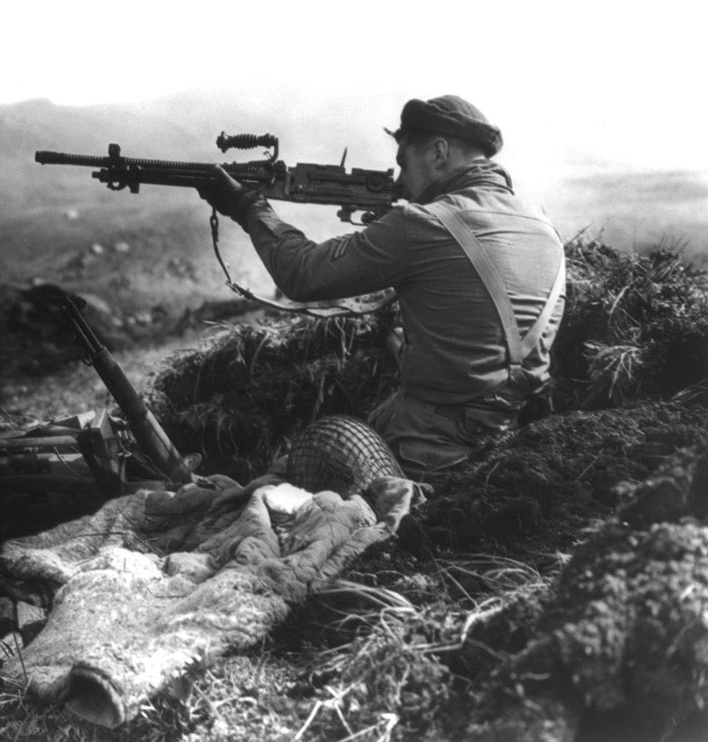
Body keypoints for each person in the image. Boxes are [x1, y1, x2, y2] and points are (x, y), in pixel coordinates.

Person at [198, 95, 565, 482]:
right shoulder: (545, 229)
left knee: (290, 475)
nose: (401, 182)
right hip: (508, 439)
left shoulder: (423, 224)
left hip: (427, 453)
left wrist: (248, 208)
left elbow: (302, 274)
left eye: (404, 163)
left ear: (439, 153)